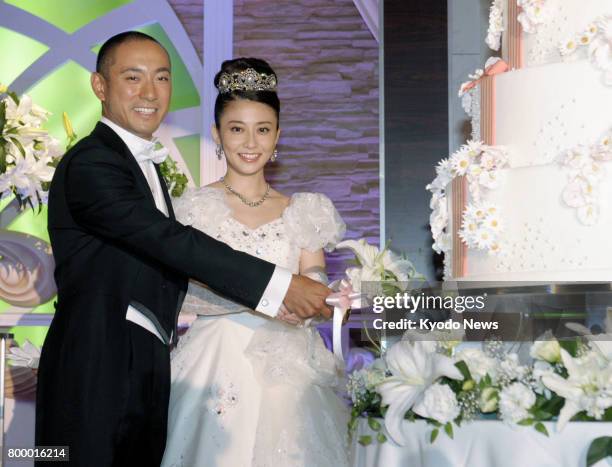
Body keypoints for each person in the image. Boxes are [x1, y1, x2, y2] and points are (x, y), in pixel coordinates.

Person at [35, 32, 332, 467]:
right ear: (100, 86)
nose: (149, 93)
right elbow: (170, 242)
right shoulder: (91, 163)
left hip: (148, 368)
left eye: (161, 78)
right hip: (95, 369)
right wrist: (281, 288)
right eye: (132, 77)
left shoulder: (142, 165)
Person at [161, 58, 350, 467]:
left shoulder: (304, 210)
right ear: (217, 134)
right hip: (212, 362)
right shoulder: (195, 208)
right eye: (237, 129)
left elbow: (313, 283)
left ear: (278, 135)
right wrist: (266, 299)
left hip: (287, 367)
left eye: (262, 129)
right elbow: (182, 294)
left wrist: (329, 299)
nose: (250, 143)